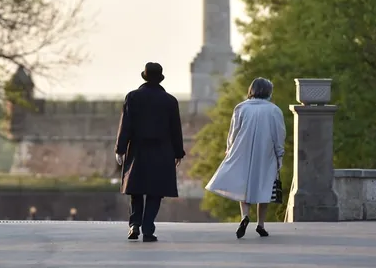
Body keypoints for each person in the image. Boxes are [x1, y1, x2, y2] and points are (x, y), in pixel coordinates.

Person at [204, 77, 285, 239]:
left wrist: (230, 150)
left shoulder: (241, 108)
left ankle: (244, 216)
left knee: (244, 186)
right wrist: (279, 154)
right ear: (268, 92)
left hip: (242, 150)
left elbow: (233, 132)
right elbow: (279, 135)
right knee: (264, 187)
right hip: (265, 152)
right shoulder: (274, 110)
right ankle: (261, 224)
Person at [115, 62, 185, 242]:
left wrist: (120, 149)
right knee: (155, 192)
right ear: (160, 78)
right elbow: (175, 130)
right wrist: (178, 152)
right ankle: (147, 229)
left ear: (144, 77)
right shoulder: (170, 101)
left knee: (136, 190)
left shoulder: (133, 97)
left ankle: (134, 224)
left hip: (138, 149)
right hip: (162, 151)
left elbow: (126, 126)